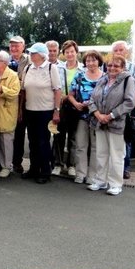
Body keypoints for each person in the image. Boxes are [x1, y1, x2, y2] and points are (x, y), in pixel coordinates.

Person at [87, 55, 135, 196]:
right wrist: (97, 114)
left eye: (116, 66)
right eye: (109, 65)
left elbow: (129, 102)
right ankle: (100, 180)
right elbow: (92, 98)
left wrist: (110, 116)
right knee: (101, 153)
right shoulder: (103, 79)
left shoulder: (128, 80)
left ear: (122, 68)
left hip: (117, 123)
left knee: (117, 155)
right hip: (100, 122)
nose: (112, 68)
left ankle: (115, 184)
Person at [19, 42, 62, 184]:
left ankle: (45, 171)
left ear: (42, 55)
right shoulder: (28, 68)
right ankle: (33, 169)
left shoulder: (51, 68)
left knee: (43, 142)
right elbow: (23, 89)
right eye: (31, 52)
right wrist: (21, 109)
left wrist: (56, 111)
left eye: (34, 53)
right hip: (30, 110)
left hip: (46, 111)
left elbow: (57, 90)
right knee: (32, 141)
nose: (31, 55)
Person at [68, 50, 105, 184]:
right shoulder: (79, 76)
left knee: (96, 147)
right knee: (80, 145)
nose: (91, 63)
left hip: (97, 116)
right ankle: (80, 173)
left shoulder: (105, 77)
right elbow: (71, 94)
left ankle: (92, 176)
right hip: (82, 115)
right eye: (88, 60)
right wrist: (76, 104)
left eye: (93, 60)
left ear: (99, 61)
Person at [110, 40, 135, 179]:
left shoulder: (134, 69)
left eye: (121, 50)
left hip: (127, 112)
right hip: (111, 110)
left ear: (126, 52)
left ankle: (125, 168)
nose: (118, 52)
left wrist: (130, 106)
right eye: (116, 50)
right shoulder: (108, 68)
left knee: (126, 140)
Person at [52, 40, 84, 177]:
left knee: (73, 137)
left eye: (72, 51)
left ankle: (71, 165)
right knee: (58, 135)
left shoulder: (83, 69)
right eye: (67, 52)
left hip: (76, 106)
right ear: (63, 54)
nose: (70, 54)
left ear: (76, 52)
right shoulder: (58, 68)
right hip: (61, 106)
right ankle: (58, 164)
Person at [0, 50, 20, 178]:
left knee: (6, 141)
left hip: (6, 112)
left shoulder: (12, 75)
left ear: (5, 63)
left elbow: (15, 92)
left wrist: (1, 88)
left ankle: (6, 166)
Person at [8, 35, 30, 174]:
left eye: (17, 45)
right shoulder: (5, 59)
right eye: (12, 46)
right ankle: (5, 161)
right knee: (6, 132)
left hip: (24, 100)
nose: (14, 48)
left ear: (23, 46)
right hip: (7, 100)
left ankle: (17, 162)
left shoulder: (29, 60)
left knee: (20, 132)